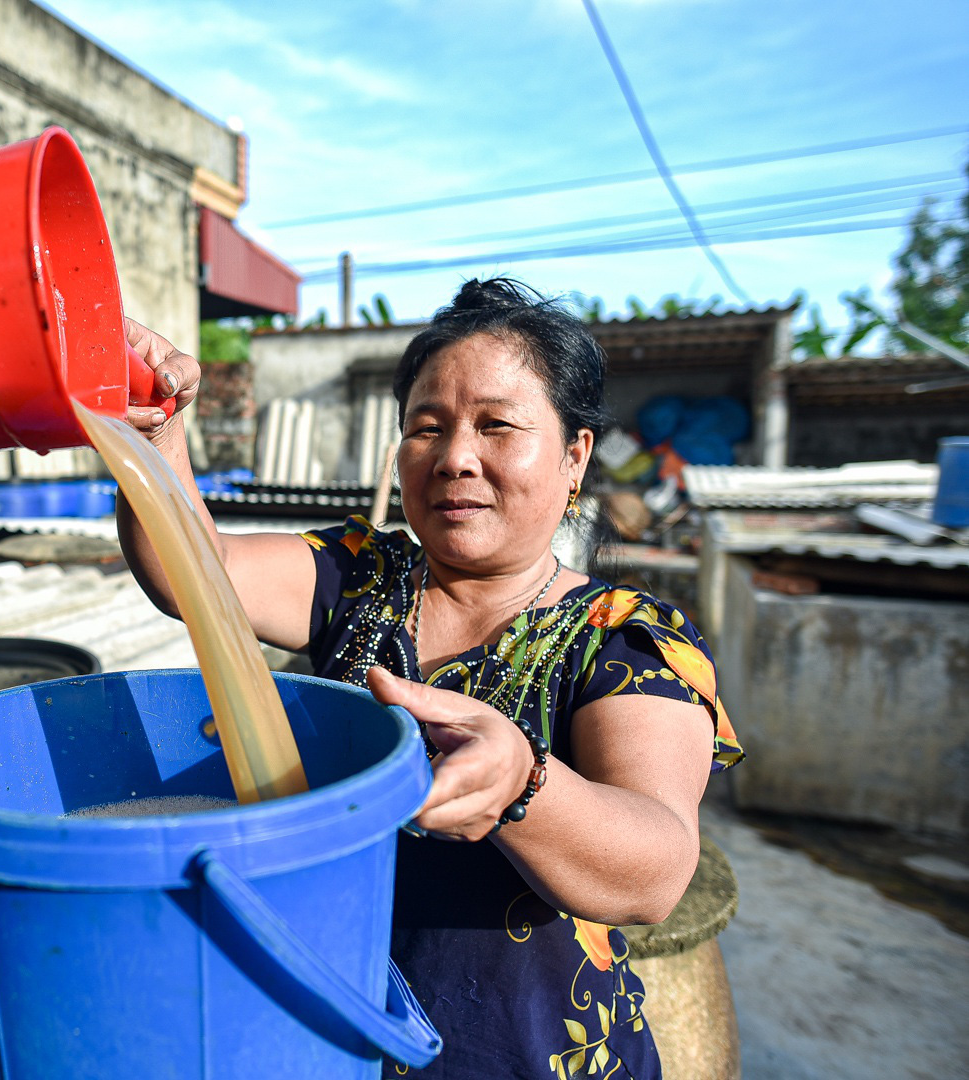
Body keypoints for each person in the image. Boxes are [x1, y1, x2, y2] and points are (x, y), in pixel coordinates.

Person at [116, 277, 743, 1079]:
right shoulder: (357, 577)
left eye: (496, 426)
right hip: (332, 1032)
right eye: (426, 427)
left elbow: (654, 869)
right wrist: (157, 435)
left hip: (529, 1054)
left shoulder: (622, 640)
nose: (454, 457)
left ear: (574, 456)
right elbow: (193, 573)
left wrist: (523, 783)